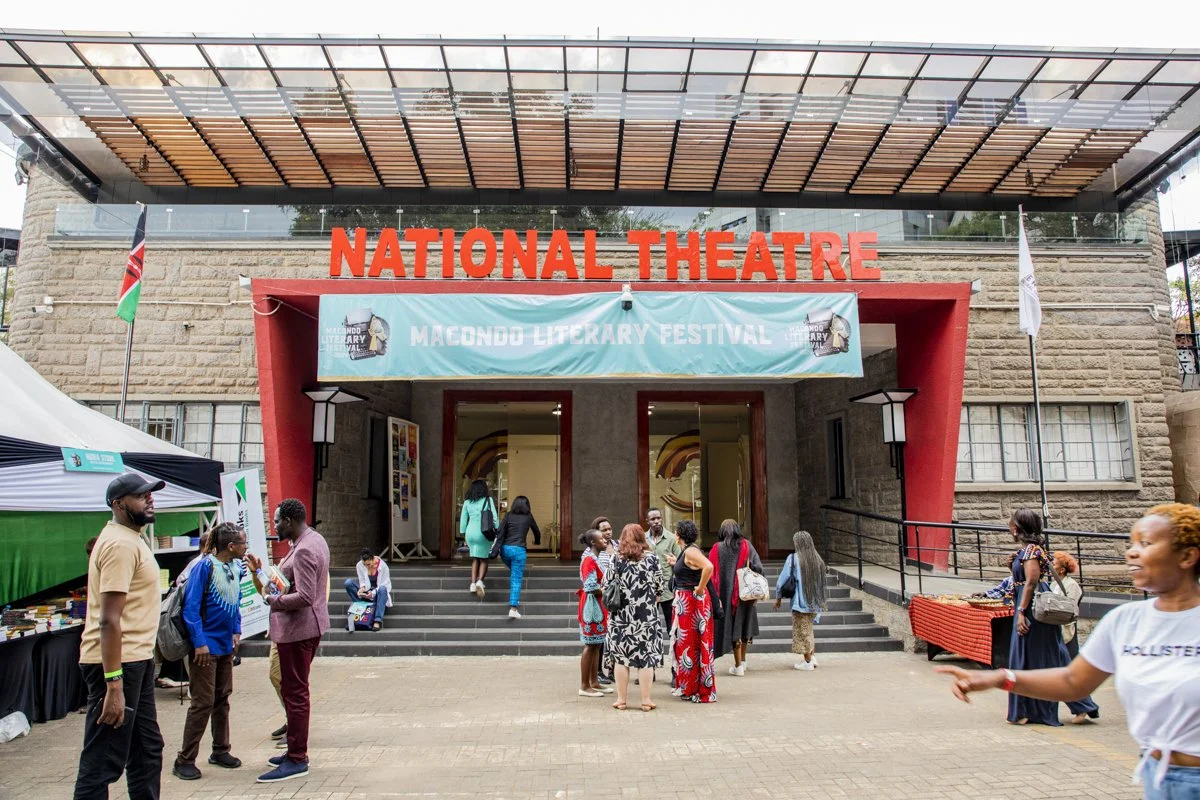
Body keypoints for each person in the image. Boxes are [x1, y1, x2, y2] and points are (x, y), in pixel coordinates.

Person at [939, 503, 1200, 798]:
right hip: (1157, 777)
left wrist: (1022, 611)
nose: (1132, 552)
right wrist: (1000, 678)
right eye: (1132, 543)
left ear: (1188, 556)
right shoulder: (1125, 622)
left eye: (1147, 543)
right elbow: (1072, 682)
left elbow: (1031, 582)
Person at [73, 473, 166, 800]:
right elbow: (109, 620)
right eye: (141, 496)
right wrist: (113, 684)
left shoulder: (131, 539)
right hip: (116, 664)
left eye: (150, 495)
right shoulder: (118, 544)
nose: (149, 499)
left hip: (134, 661)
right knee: (102, 763)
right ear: (118, 504)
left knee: (147, 750)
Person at [1000, 509, 1098, 726]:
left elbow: (1031, 582)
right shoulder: (1027, 551)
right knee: (1041, 658)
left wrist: (1021, 612)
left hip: (1032, 609)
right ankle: (1075, 705)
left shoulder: (1031, 551)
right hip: (1028, 605)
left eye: (1012, 524)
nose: (1010, 528)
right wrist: (1012, 566)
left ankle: (1043, 710)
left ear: (1018, 528)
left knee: (1042, 660)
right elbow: (1024, 579)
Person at [258, 498, 330, 784]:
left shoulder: (303, 550)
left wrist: (272, 600)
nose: (274, 526)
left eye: (277, 521)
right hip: (305, 629)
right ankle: (293, 752)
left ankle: (297, 758)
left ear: (288, 521)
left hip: (298, 631)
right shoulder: (314, 539)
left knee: (296, 693)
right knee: (294, 690)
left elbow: (305, 597)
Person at [172, 523, 247, 780]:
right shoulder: (205, 566)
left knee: (222, 698)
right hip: (206, 647)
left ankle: (220, 749)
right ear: (231, 546)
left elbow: (236, 602)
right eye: (243, 543)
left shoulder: (236, 568)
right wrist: (199, 642)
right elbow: (191, 608)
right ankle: (185, 758)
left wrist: (237, 629)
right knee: (202, 702)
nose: (246, 547)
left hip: (226, 644)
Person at [603, 524, 666, 711]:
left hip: (620, 616)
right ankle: (646, 700)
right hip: (645, 617)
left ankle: (621, 700)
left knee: (621, 659)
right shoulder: (652, 559)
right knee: (645, 659)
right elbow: (660, 587)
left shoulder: (616, 559)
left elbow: (606, 583)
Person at [243, 550, 289, 748]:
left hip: (290, 632)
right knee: (275, 676)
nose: (275, 526)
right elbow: (269, 590)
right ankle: (291, 720)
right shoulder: (285, 561)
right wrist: (257, 573)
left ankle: (295, 725)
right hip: (277, 630)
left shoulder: (299, 557)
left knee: (285, 679)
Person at [709, 519, 763, 676]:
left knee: (732, 626)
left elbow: (711, 574)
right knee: (744, 626)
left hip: (725, 596)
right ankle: (743, 661)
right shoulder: (747, 545)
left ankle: (738, 665)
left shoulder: (716, 549)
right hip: (745, 595)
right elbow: (758, 567)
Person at [672, 520, 717, 703]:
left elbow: (709, 566)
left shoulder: (691, 550)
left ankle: (697, 688)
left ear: (678, 535)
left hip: (692, 603)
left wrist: (699, 588)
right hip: (686, 603)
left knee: (692, 645)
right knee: (687, 645)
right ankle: (690, 686)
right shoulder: (688, 551)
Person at [773, 530, 828, 671]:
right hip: (815, 602)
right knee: (809, 629)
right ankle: (812, 656)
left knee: (802, 630)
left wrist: (778, 598)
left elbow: (781, 580)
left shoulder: (794, 559)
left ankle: (808, 661)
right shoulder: (818, 560)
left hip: (800, 602)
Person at [644, 507, 681, 683]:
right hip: (647, 594)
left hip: (668, 593)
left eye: (659, 518)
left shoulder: (672, 539)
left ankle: (675, 672)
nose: (657, 521)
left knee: (672, 632)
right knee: (648, 632)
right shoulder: (642, 539)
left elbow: (681, 564)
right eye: (653, 519)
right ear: (647, 521)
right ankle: (648, 671)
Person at [577, 529, 612, 698]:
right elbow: (590, 586)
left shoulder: (594, 559)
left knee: (597, 644)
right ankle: (584, 686)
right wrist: (607, 590)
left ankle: (594, 682)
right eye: (601, 538)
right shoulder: (589, 560)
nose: (605, 540)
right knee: (590, 645)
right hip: (591, 607)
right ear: (593, 542)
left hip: (597, 606)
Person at [494, 495, 541, 618]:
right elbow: (536, 531)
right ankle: (513, 608)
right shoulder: (528, 516)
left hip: (505, 550)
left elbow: (500, 530)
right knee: (516, 578)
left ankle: (515, 597)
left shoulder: (508, 515)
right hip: (519, 550)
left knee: (515, 573)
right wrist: (537, 541)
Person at [460, 479, 497, 598]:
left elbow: (463, 520)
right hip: (483, 532)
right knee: (484, 559)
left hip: (470, 533)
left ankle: (472, 583)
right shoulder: (488, 500)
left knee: (475, 558)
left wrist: (463, 534)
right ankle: (480, 581)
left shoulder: (467, 502)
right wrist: (498, 531)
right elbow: (495, 518)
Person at [590, 516, 616, 684]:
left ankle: (614, 670)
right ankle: (598, 671)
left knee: (614, 636)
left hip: (617, 597)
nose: (607, 532)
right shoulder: (590, 552)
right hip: (601, 597)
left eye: (609, 529)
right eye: (603, 530)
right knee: (600, 637)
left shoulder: (618, 545)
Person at [344, 548, 392, 631]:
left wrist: (372, 593)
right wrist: (361, 590)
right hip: (366, 595)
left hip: (378, 596)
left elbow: (386, 586)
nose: (367, 566)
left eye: (369, 564)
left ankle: (377, 620)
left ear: (373, 558)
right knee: (348, 583)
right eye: (364, 564)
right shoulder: (359, 565)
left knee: (383, 589)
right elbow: (362, 581)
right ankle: (361, 611)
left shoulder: (383, 567)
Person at [1050, 551, 1084, 659]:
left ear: (1062, 570)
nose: (1051, 566)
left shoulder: (1071, 585)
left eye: (1054, 564)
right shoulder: (1053, 584)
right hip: (1053, 624)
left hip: (1065, 627)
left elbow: (1069, 608)